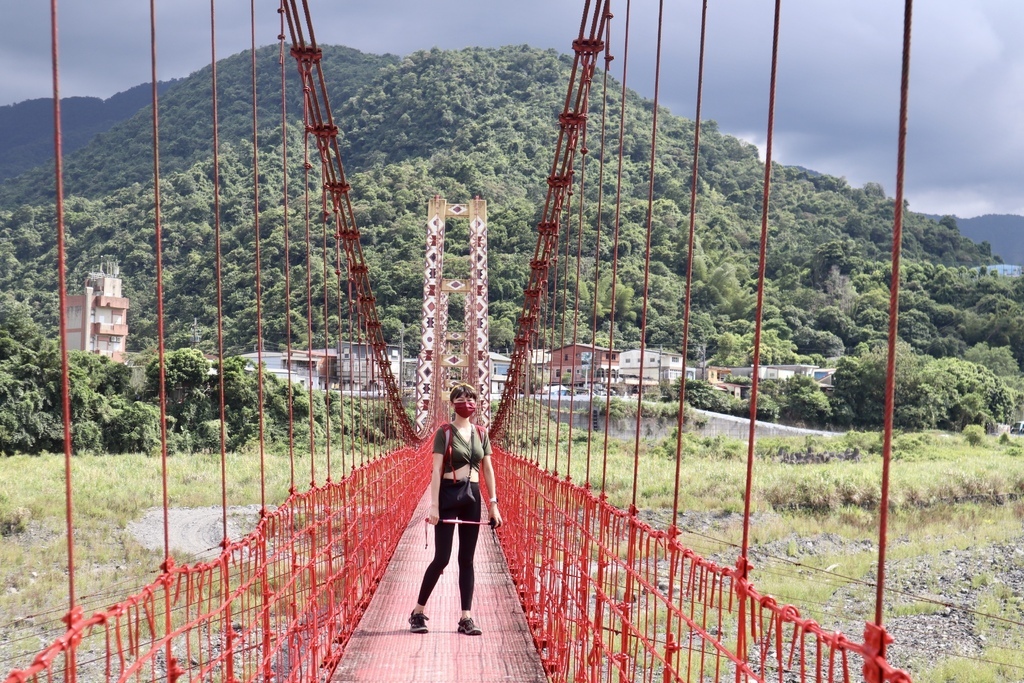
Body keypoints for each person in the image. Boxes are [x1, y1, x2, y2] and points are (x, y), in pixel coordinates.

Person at [409, 383, 502, 635]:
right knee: (442, 558)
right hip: (448, 495)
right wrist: (434, 506)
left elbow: (488, 469)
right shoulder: (445, 432)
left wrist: (493, 504)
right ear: (452, 403)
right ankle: (417, 612)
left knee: (467, 560)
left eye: (471, 398)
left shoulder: (481, 433)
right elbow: (436, 470)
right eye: (461, 398)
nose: (466, 403)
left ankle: (466, 618)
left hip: (472, 496)